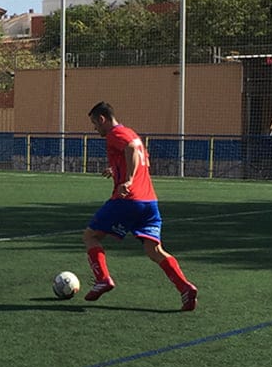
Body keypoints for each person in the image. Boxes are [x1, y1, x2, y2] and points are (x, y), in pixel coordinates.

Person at [84, 102, 198, 311]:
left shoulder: (116, 134)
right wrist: (116, 168)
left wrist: (127, 179)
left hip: (128, 200)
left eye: (95, 123)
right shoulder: (132, 133)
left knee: (91, 236)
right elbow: (140, 158)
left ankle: (103, 279)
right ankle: (185, 288)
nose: (95, 128)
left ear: (102, 119)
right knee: (154, 250)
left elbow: (130, 150)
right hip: (149, 202)